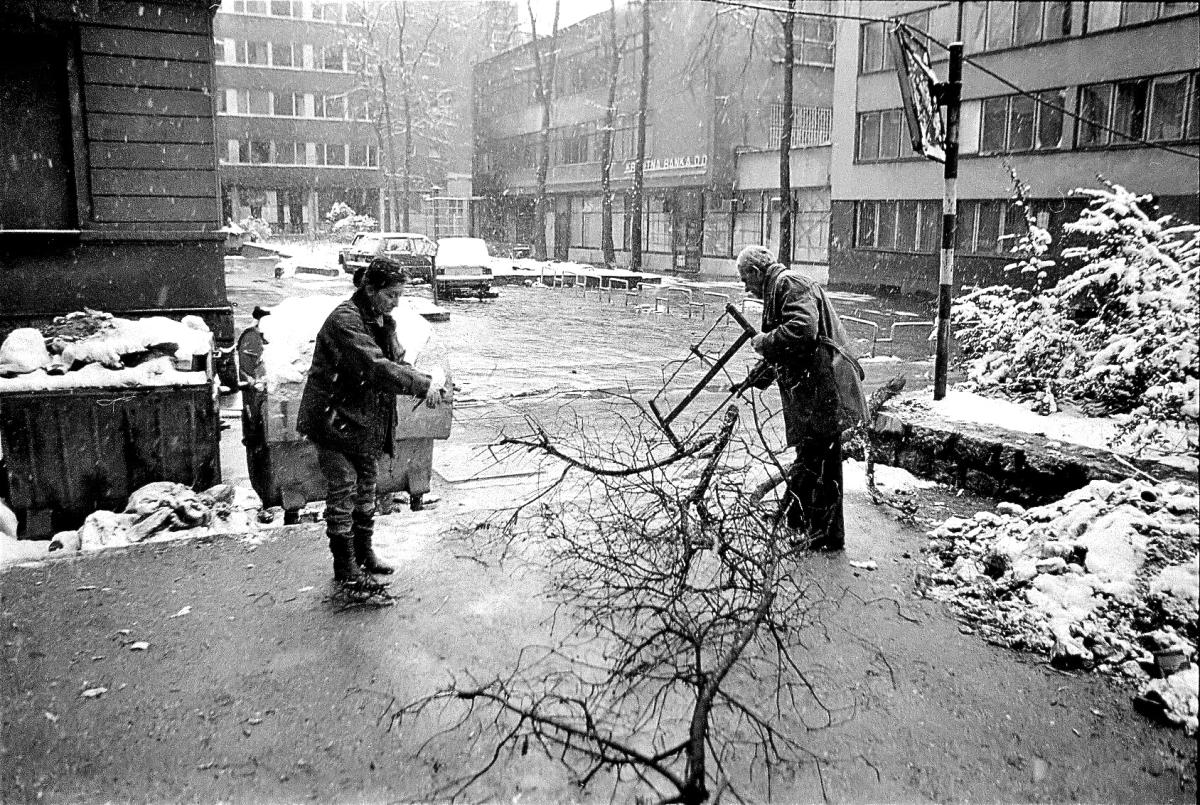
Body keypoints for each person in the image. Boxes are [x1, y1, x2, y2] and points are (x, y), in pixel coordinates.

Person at [297, 258, 444, 585]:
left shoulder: (380, 321)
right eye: (391, 295)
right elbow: (375, 368)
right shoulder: (345, 321)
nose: (396, 303)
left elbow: (396, 363)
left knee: (367, 486)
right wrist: (421, 384)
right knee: (344, 488)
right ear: (370, 288)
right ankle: (345, 566)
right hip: (333, 421)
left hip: (362, 421)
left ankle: (363, 553)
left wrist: (425, 380)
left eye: (399, 296)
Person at [734, 244, 846, 551]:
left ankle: (801, 524)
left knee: (815, 458)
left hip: (819, 388)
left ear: (756, 272)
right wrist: (759, 375)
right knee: (819, 457)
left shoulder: (788, 283)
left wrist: (764, 341)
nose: (746, 288)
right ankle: (818, 529)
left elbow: (802, 331)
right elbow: (790, 345)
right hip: (813, 388)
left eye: (746, 280)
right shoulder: (778, 288)